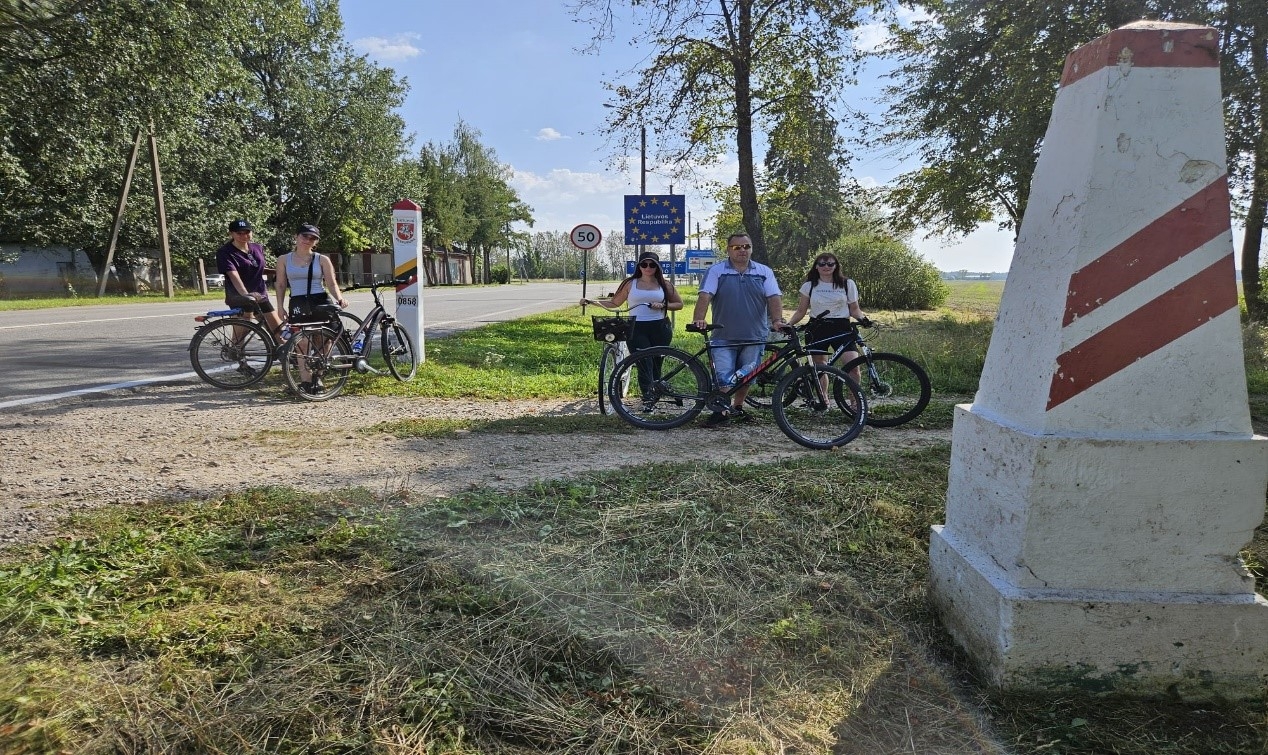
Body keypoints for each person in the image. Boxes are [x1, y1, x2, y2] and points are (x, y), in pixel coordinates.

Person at [691, 232, 785, 426]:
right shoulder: (717, 271)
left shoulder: (764, 271)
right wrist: (699, 319)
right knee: (724, 375)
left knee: (747, 376)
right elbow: (705, 296)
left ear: (751, 248)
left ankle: (738, 407)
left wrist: (777, 320)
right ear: (728, 249)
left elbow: (774, 297)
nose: (742, 250)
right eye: (737, 247)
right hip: (723, 335)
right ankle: (722, 411)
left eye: (746, 247)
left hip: (754, 335)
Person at [582, 251, 684, 409]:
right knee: (644, 361)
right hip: (637, 328)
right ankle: (648, 398)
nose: (648, 267)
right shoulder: (630, 283)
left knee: (657, 362)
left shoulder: (665, 284)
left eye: (652, 265)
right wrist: (592, 302)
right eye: (644, 264)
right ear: (639, 267)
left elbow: (679, 304)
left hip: (660, 327)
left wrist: (663, 305)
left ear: (657, 267)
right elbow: (614, 303)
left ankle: (657, 391)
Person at [273, 224, 349, 393]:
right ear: (296, 237)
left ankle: (318, 378)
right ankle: (306, 381)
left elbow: (331, 283)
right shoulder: (284, 259)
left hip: (320, 300)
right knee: (302, 342)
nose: (308, 240)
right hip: (298, 302)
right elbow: (280, 284)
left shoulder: (322, 259)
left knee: (324, 339)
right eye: (305, 236)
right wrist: (280, 307)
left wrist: (339, 298)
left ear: (316, 242)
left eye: (313, 238)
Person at [786, 252, 872, 384]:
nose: (826, 266)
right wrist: (789, 324)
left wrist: (863, 319)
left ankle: (855, 401)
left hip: (842, 327)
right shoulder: (809, 286)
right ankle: (824, 399)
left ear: (836, 266)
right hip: (817, 327)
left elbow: (854, 309)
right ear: (816, 266)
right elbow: (801, 311)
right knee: (820, 368)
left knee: (853, 366)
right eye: (822, 264)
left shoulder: (847, 284)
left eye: (830, 264)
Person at [216, 219, 283, 339]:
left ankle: (288, 356)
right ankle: (234, 355)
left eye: (247, 232)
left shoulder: (257, 248)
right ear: (231, 233)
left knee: (279, 331)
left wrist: (279, 272)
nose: (244, 235)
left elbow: (256, 268)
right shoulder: (225, 252)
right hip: (239, 297)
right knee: (240, 337)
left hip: (259, 295)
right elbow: (233, 275)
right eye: (239, 233)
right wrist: (246, 295)